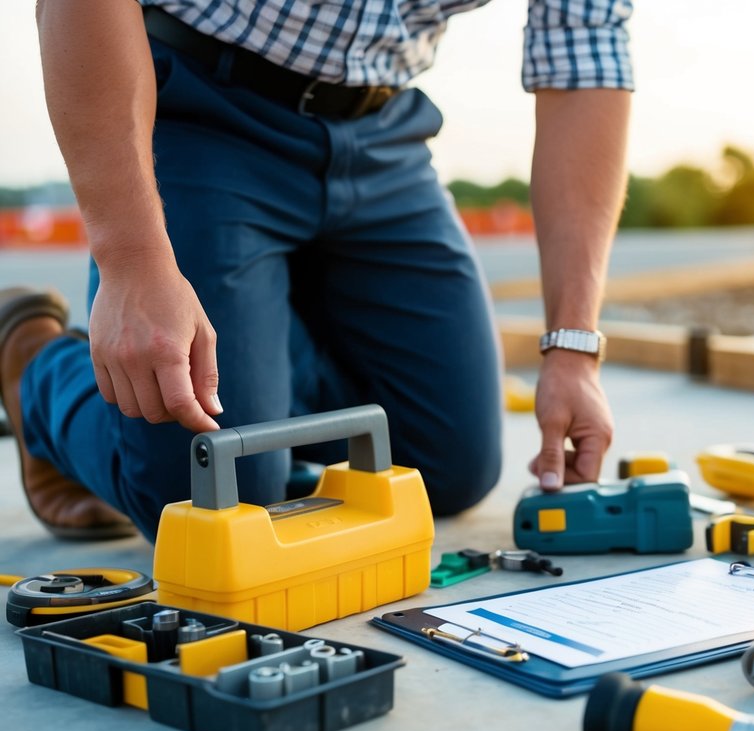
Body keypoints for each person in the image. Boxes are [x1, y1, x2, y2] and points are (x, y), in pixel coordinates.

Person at [1, 0, 631, 541]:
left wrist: (573, 347)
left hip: (382, 139)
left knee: (441, 468)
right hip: (201, 108)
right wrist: (133, 264)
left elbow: (585, 55)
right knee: (212, 498)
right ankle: (35, 366)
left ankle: (258, 349)